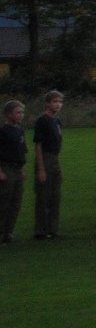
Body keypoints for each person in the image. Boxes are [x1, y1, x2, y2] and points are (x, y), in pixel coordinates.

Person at [0, 100, 27, 244]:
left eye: (22, 112)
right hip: (6, 168)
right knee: (4, 201)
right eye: (18, 112)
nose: (21, 115)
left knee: (16, 202)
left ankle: (8, 232)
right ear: (8, 114)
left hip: (17, 169)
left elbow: (21, 151)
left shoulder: (20, 130)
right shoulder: (3, 131)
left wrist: (22, 168)